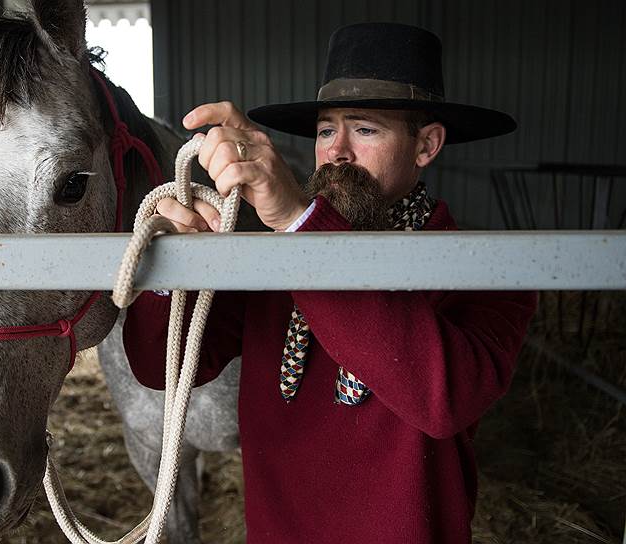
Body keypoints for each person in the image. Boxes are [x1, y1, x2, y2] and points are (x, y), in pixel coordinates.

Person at [122, 23, 538, 543]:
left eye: (364, 129)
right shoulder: (271, 263)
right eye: (324, 130)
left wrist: (300, 222)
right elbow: (159, 363)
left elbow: (443, 400)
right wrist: (174, 267)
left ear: (426, 145)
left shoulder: (488, 272)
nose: (336, 151)